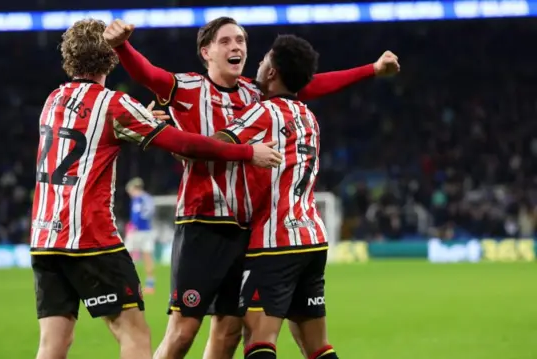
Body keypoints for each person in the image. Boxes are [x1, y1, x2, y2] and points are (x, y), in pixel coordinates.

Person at [104, 17, 400, 359]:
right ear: (206, 51)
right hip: (202, 223)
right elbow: (147, 73)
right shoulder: (185, 89)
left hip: (247, 228)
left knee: (229, 330)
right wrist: (121, 46)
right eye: (227, 41)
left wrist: (372, 69)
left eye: (241, 41)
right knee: (184, 330)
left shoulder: (255, 92)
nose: (237, 47)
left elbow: (309, 84)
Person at [30, 18, 282, 359]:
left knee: (53, 344)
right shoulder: (115, 104)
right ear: (110, 58)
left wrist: (142, 121)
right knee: (134, 333)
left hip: (45, 238)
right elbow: (185, 145)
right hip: (90, 236)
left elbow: (92, 137)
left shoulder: (52, 99)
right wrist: (248, 151)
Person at [214, 34, 337, 359]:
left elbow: (214, 145)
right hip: (312, 238)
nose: (258, 62)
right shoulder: (309, 117)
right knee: (318, 347)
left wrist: (167, 133)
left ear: (271, 73)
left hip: (275, 241)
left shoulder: (263, 113)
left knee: (259, 340)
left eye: (264, 58)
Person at [125, 177, 157, 294]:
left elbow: (137, 216)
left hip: (137, 232)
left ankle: (128, 283)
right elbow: (150, 213)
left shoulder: (138, 199)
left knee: (126, 256)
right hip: (147, 231)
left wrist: (133, 226)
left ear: (135, 189)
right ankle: (150, 284)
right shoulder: (148, 198)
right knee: (148, 257)